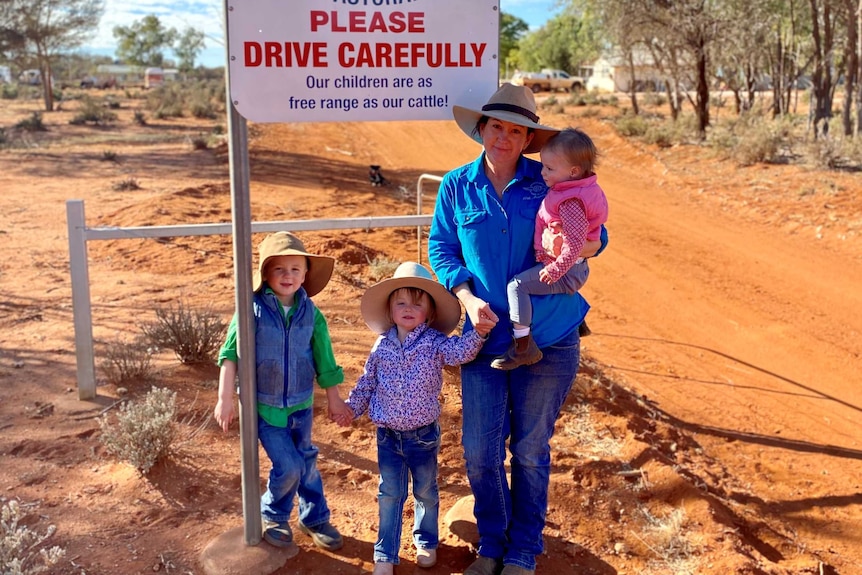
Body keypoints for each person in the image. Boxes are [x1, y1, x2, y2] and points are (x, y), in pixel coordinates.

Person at [427, 83, 606, 575]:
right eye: (496, 126)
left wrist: (576, 254)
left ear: (528, 137)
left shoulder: (550, 178)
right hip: (484, 339)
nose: (504, 137)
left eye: (516, 129)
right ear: (480, 129)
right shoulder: (456, 186)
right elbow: (441, 250)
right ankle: (492, 544)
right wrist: (464, 295)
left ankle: (524, 548)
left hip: (548, 336)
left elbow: (596, 230)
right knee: (480, 451)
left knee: (529, 449)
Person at [343, 262, 490, 575]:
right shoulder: (381, 345)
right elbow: (368, 382)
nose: (408, 308)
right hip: (387, 435)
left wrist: (478, 333)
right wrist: (351, 408)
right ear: (390, 309)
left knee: (425, 491)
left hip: (422, 434)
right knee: (390, 493)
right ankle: (385, 553)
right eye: (401, 302)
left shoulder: (435, 343)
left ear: (430, 312)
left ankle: (426, 540)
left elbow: (460, 353)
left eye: (417, 303)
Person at [213, 231, 352, 551]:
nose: (287, 276)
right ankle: (273, 514)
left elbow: (325, 360)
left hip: (301, 406)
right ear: (265, 274)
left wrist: (334, 400)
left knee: (306, 462)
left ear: (305, 274)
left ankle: (314, 517)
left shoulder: (311, 313)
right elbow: (230, 353)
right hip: (266, 408)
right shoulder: (251, 308)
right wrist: (225, 398)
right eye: (279, 269)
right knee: (288, 466)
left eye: (295, 269)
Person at [491, 127, 609, 370]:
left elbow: (576, 243)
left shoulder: (570, 201)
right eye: (543, 166)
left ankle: (523, 345)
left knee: (518, 286)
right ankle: (575, 320)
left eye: (549, 169)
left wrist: (556, 268)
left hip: (566, 268)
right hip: (568, 267)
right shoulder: (570, 188)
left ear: (573, 171)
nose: (542, 172)